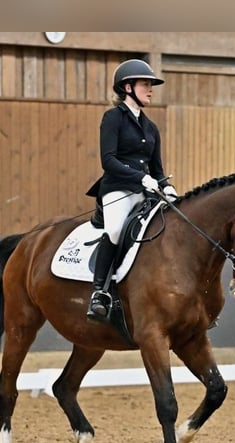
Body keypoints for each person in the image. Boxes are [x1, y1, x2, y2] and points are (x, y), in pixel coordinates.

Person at [86, 59, 177, 322]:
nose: (150, 90)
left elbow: (157, 169)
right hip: (117, 189)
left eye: (151, 85)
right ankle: (99, 292)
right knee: (115, 230)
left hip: (147, 191)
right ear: (128, 87)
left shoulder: (151, 128)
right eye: (145, 85)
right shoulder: (112, 118)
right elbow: (109, 160)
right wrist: (140, 177)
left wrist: (166, 186)